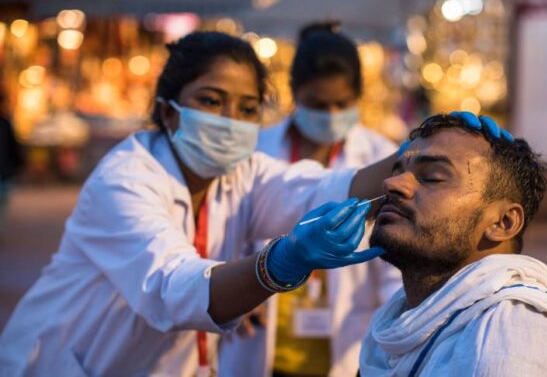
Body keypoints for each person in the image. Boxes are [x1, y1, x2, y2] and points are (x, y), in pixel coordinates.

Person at [0, 32, 393, 376]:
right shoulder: (126, 179)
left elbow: (322, 190)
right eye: (211, 101)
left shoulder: (243, 173)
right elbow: (174, 290)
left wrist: (415, 154)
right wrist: (277, 265)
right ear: (170, 113)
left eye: (248, 109)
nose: (230, 120)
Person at [359, 113, 547, 377]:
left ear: (503, 222)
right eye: (397, 171)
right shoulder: (397, 321)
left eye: (432, 177)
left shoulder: (516, 335)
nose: (392, 184)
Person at [219, 23, 401, 377]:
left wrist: (391, 336)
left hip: (346, 347)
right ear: (294, 93)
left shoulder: (381, 159)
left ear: (359, 97)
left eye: (341, 104)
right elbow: (223, 230)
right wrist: (234, 290)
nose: (330, 115)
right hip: (259, 344)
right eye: (318, 104)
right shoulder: (254, 152)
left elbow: (395, 268)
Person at [0, 89, 24, 220]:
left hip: (4, 171)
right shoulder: (5, 123)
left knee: (2, 202)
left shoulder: (5, 123)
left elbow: (12, 146)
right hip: (4, 170)